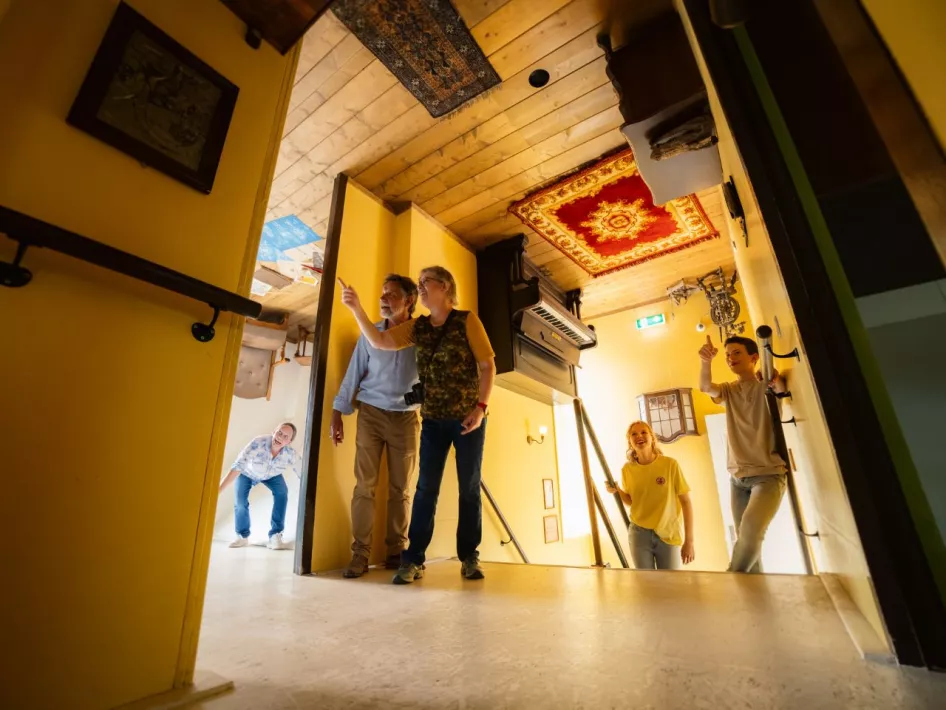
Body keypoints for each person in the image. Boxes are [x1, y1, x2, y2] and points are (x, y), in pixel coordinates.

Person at [337, 266, 496, 585]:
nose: (421, 287)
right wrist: (357, 309)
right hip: (434, 419)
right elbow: (380, 341)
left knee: (468, 487)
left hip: (468, 418)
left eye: (426, 282)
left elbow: (487, 365)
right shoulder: (418, 328)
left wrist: (480, 408)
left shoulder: (467, 320)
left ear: (446, 287)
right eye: (419, 283)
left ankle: (469, 557)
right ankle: (413, 560)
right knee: (425, 490)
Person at [330, 274, 421, 578]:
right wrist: (337, 412)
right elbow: (354, 372)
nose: (383, 299)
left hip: (406, 418)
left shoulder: (421, 334)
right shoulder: (369, 335)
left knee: (401, 489)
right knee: (364, 487)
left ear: (409, 301)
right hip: (370, 414)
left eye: (392, 295)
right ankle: (360, 554)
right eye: (382, 293)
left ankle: (397, 551)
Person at [698, 334, 788, 573]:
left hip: (768, 475)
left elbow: (780, 387)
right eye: (727, 355)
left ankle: (732, 580)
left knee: (750, 531)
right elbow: (706, 387)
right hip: (737, 478)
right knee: (746, 542)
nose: (730, 358)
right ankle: (754, 598)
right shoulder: (729, 390)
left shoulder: (765, 384)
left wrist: (773, 376)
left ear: (754, 357)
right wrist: (706, 361)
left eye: (736, 352)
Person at [605, 421, 695, 570]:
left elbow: (686, 502)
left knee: (670, 585)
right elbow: (632, 501)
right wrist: (618, 491)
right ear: (630, 442)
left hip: (669, 534)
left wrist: (689, 541)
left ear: (652, 438)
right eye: (634, 434)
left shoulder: (670, 465)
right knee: (646, 584)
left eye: (643, 432)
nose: (639, 436)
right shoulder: (627, 469)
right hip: (639, 534)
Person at [219, 422, 302, 550]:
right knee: (240, 501)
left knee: (282, 493)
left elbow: (303, 473)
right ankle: (242, 536)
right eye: (279, 433)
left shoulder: (290, 454)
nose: (280, 437)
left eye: (285, 436)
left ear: (289, 441)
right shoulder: (258, 443)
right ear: (273, 432)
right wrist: (217, 491)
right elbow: (237, 466)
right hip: (248, 473)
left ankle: (276, 535)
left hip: (272, 476)